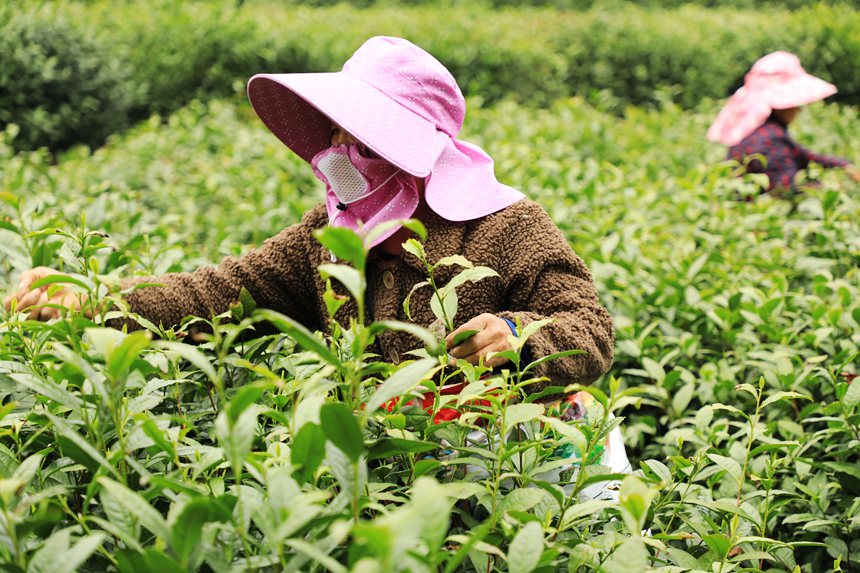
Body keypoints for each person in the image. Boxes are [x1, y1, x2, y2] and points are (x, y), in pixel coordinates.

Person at [4, 37, 628, 493]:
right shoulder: (326, 239)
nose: (338, 154)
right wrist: (90, 298)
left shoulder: (508, 225)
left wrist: (519, 336)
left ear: (413, 148)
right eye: (334, 135)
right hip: (409, 475)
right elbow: (217, 292)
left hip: (529, 475)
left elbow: (590, 327)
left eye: (360, 140)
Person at [707, 51, 860, 194]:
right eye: (795, 104)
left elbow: (805, 156)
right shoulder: (769, 140)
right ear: (781, 105)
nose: (798, 109)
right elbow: (785, 190)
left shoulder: (759, 130)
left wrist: (844, 165)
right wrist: (830, 189)